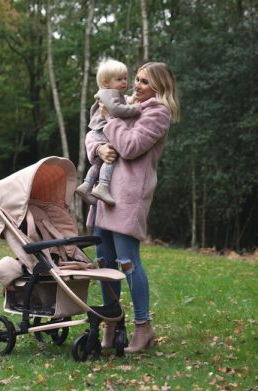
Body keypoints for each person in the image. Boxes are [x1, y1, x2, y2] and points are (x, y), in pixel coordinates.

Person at [85, 62, 180, 353]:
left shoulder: (157, 113)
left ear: (159, 88)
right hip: (105, 196)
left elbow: (129, 146)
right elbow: (94, 132)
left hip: (128, 199)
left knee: (127, 263)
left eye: (144, 82)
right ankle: (111, 324)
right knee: (104, 265)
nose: (136, 86)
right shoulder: (126, 104)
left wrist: (111, 119)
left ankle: (143, 326)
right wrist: (98, 149)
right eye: (136, 80)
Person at [75, 59, 141, 206]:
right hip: (101, 131)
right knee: (112, 155)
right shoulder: (108, 94)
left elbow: (122, 102)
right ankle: (103, 186)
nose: (124, 82)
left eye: (125, 78)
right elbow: (117, 109)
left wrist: (131, 100)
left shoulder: (112, 94)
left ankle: (87, 185)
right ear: (106, 83)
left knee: (99, 161)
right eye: (119, 79)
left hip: (98, 131)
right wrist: (137, 108)